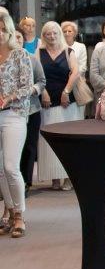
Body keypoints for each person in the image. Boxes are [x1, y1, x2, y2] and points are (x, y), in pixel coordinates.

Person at [0, 14, 33, 237]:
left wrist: (9, 98)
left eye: (3, 29)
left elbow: (28, 86)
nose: (0, 33)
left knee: (11, 166)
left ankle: (20, 215)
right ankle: (10, 212)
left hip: (14, 114)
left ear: (10, 31)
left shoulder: (20, 54)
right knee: (0, 170)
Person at [37, 20, 80, 189]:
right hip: (47, 102)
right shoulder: (38, 52)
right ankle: (54, 178)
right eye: (48, 33)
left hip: (67, 102)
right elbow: (36, 75)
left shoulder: (69, 51)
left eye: (55, 33)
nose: (52, 36)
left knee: (69, 141)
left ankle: (69, 178)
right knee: (49, 141)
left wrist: (66, 92)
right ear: (44, 36)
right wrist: (43, 92)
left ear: (59, 34)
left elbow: (75, 72)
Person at [15, 29, 46, 192]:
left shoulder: (32, 59)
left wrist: (30, 90)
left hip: (31, 110)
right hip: (8, 111)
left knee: (28, 146)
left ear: (23, 40)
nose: (16, 40)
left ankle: (26, 182)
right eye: (13, 36)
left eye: (19, 37)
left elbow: (42, 82)